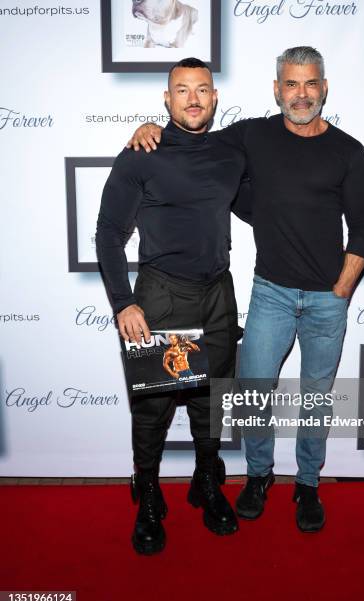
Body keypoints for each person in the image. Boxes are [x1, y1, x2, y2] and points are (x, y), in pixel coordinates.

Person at [127, 46, 364, 533]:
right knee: (254, 393)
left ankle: (307, 483)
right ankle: (259, 476)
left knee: (316, 397)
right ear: (276, 89)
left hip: (328, 299)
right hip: (271, 294)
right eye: (291, 83)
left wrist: (341, 289)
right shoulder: (254, 134)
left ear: (323, 88)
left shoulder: (349, 151)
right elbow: (192, 135)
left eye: (310, 84)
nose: (300, 94)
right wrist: (148, 129)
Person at [96, 57, 248, 555]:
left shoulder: (232, 151)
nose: (193, 98)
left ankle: (207, 483)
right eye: (181, 90)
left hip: (218, 294)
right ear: (167, 99)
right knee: (154, 407)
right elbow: (109, 234)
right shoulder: (142, 152)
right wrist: (123, 302)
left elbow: (282, 138)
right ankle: (147, 494)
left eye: (202, 89)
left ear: (215, 96)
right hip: (161, 296)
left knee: (212, 401)